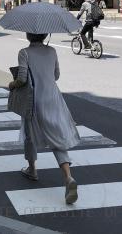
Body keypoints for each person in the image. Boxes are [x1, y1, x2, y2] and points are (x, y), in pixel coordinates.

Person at [8, 33, 81, 205]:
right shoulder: (52, 51)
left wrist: (12, 84)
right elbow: (56, 75)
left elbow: (22, 79)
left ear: (28, 35)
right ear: (45, 35)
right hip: (53, 98)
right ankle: (68, 178)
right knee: (56, 137)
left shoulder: (24, 52)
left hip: (34, 100)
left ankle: (32, 169)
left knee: (29, 133)